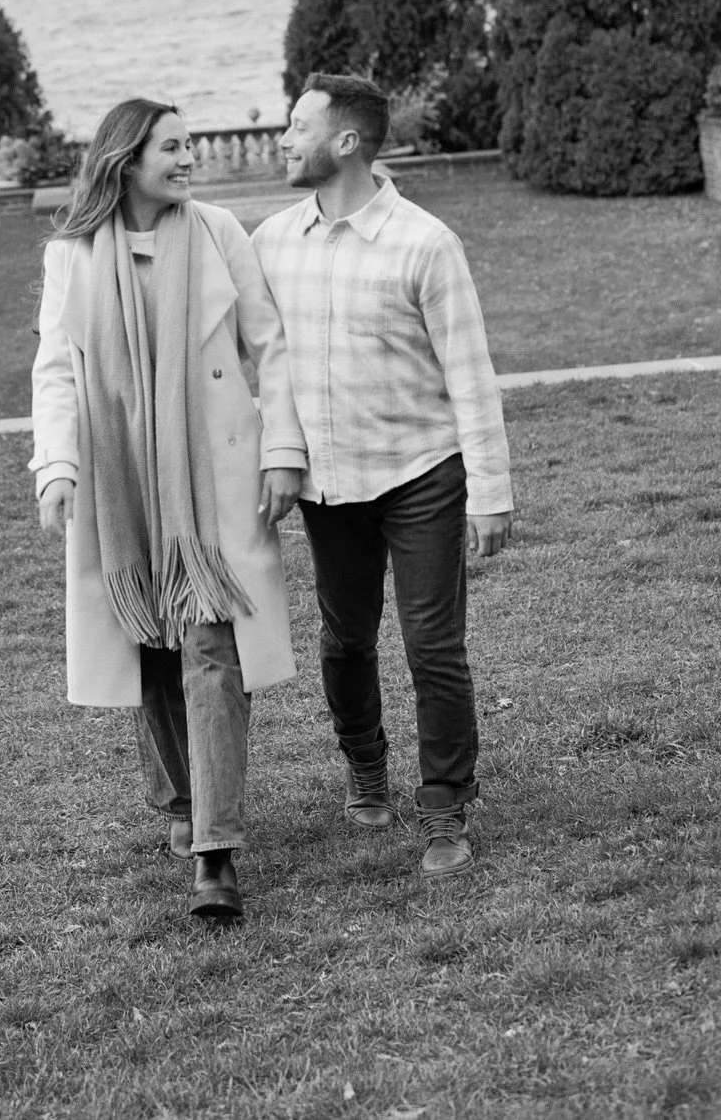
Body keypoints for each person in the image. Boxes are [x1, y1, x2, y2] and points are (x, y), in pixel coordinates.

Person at [30, 97, 306, 922]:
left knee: (211, 645)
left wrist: (282, 450)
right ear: (127, 161)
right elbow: (57, 370)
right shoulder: (73, 254)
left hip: (212, 478)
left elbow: (269, 346)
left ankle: (216, 853)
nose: (190, 160)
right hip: (122, 481)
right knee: (151, 645)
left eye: (190, 146)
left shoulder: (217, 231)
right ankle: (182, 800)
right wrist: (57, 468)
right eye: (174, 148)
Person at [251, 72, 512, 880]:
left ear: (346, 141)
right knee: (344, 641)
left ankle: (445, 807)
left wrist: (491, 492)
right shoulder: (270, 242)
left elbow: (470, 373)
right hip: (327, 485)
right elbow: (253, 359)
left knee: (434, 646)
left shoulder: (425, 242)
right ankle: (366, 769)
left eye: (299, 126)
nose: (284, 138)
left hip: (422, 471)